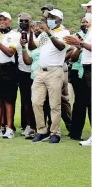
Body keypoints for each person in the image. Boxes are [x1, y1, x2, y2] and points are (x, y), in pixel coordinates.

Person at [28, 9, 70, 144]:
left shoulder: (64, 33)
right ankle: (41, 130)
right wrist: (30, 33)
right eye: (49, 17)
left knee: (54, 104)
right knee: (36, 102)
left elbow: (60, 47)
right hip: (40, 71)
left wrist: (48, 32)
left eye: (53, 17)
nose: (50, 19)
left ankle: (55, 132)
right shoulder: (44, 34)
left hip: (55, 71)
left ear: (60, 20)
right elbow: (32, 47)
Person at [64, 11, 91, 146]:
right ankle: (75, 133)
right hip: (77, 73)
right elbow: (73, 58)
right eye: (83, 22)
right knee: (79, 104)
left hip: (88, 71)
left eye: (86, 22)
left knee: (89, 103)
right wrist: (79, 47)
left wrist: (81, 44)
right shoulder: (77, 36)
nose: (84, 24)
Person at [16, 13, 36, 138]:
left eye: (26, 21)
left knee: (36, 100)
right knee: (25, 100)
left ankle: (37, 125)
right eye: (22, 21)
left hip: (35, 71)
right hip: (22, 71)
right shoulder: (16, 35)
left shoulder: (36, 34)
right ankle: (27, 125)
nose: (24, 22)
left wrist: (32, 33)